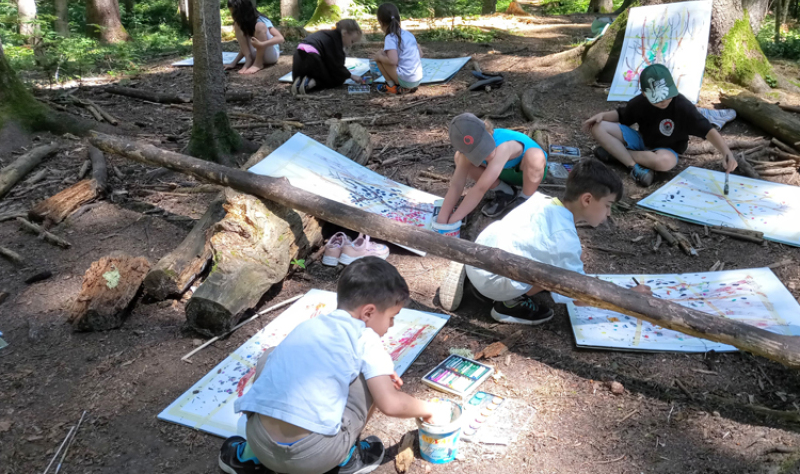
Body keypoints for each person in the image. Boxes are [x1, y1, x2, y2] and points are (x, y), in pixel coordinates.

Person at [219, 257, 442, 474]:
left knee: (271, 356)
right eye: (392, 317)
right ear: (368, 313)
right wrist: (429, 409)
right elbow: (391, 404)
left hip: (260, 442)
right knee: (368, 379)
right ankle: (348, 458)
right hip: (316, 458)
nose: (391, 325)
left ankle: (247, 457)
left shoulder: (309, 326)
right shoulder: (365, 337)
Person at [464, 158, 652, 325]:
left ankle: (470, 278)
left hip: (478, 255)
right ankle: (508, 304)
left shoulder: (542, 200)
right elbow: (580, 295)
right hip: (492, 282)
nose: (609, 213)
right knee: (556, 272)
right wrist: (629, 297)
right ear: (587, 199)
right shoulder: (564, 240)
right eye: (607, 205)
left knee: (544, 260)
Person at [583, 63, 737, 186]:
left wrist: (726, 153)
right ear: (644, 94)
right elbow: (622, 116)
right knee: (598, 126)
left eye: (667, 95)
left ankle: (615, 154)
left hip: (667, 150)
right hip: (642, 140)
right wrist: (602, 115)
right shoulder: (640, 103)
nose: (664, 100)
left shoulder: (682, 106)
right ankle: (633, 167)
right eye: (657, 97)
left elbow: (708, 130)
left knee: (663, 162)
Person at [435, 113, 548, 223]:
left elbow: (480, 189)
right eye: (477, 152)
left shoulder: (504, 147)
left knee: (535, 156)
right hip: (498, 173)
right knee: (459, 160)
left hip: (527, 173)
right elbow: (456, 186)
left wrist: (454, 220)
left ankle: (525, 199)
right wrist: (442, 220)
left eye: (484, 146)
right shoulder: (465, 154)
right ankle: (505, 191)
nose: (486, 154)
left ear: (489, 131)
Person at [290, 19, 365, 95]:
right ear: (344, 33)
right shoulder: (335, 42)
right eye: (352, 41)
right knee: (337, 80)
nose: (350, 45)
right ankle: (311, 83)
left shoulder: (326, 34)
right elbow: (337, 66)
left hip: (298, 57)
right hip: (312, 58)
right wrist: (350, 76)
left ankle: (300, 81)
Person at [225, 0, 285, 75]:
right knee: (237, 25)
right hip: (253, 55)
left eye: (234, 14)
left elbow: (280, 38)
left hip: (269, 55)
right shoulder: (240, 23)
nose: (233, 16)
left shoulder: (260, 19)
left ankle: (258, 63)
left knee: (259, 26)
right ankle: (248, 61)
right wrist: (234, 62)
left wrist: (262, 44)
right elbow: (245, 46)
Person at [372, 3, 423, 95]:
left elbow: (392, 61)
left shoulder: (390, 37)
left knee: (380, 59)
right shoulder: (408, 34)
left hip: (407, 80)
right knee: (383, 56)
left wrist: (379, 57)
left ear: (380, 22)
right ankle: (402, 85)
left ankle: (391, 87)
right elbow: (420, 54)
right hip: (418, 79)